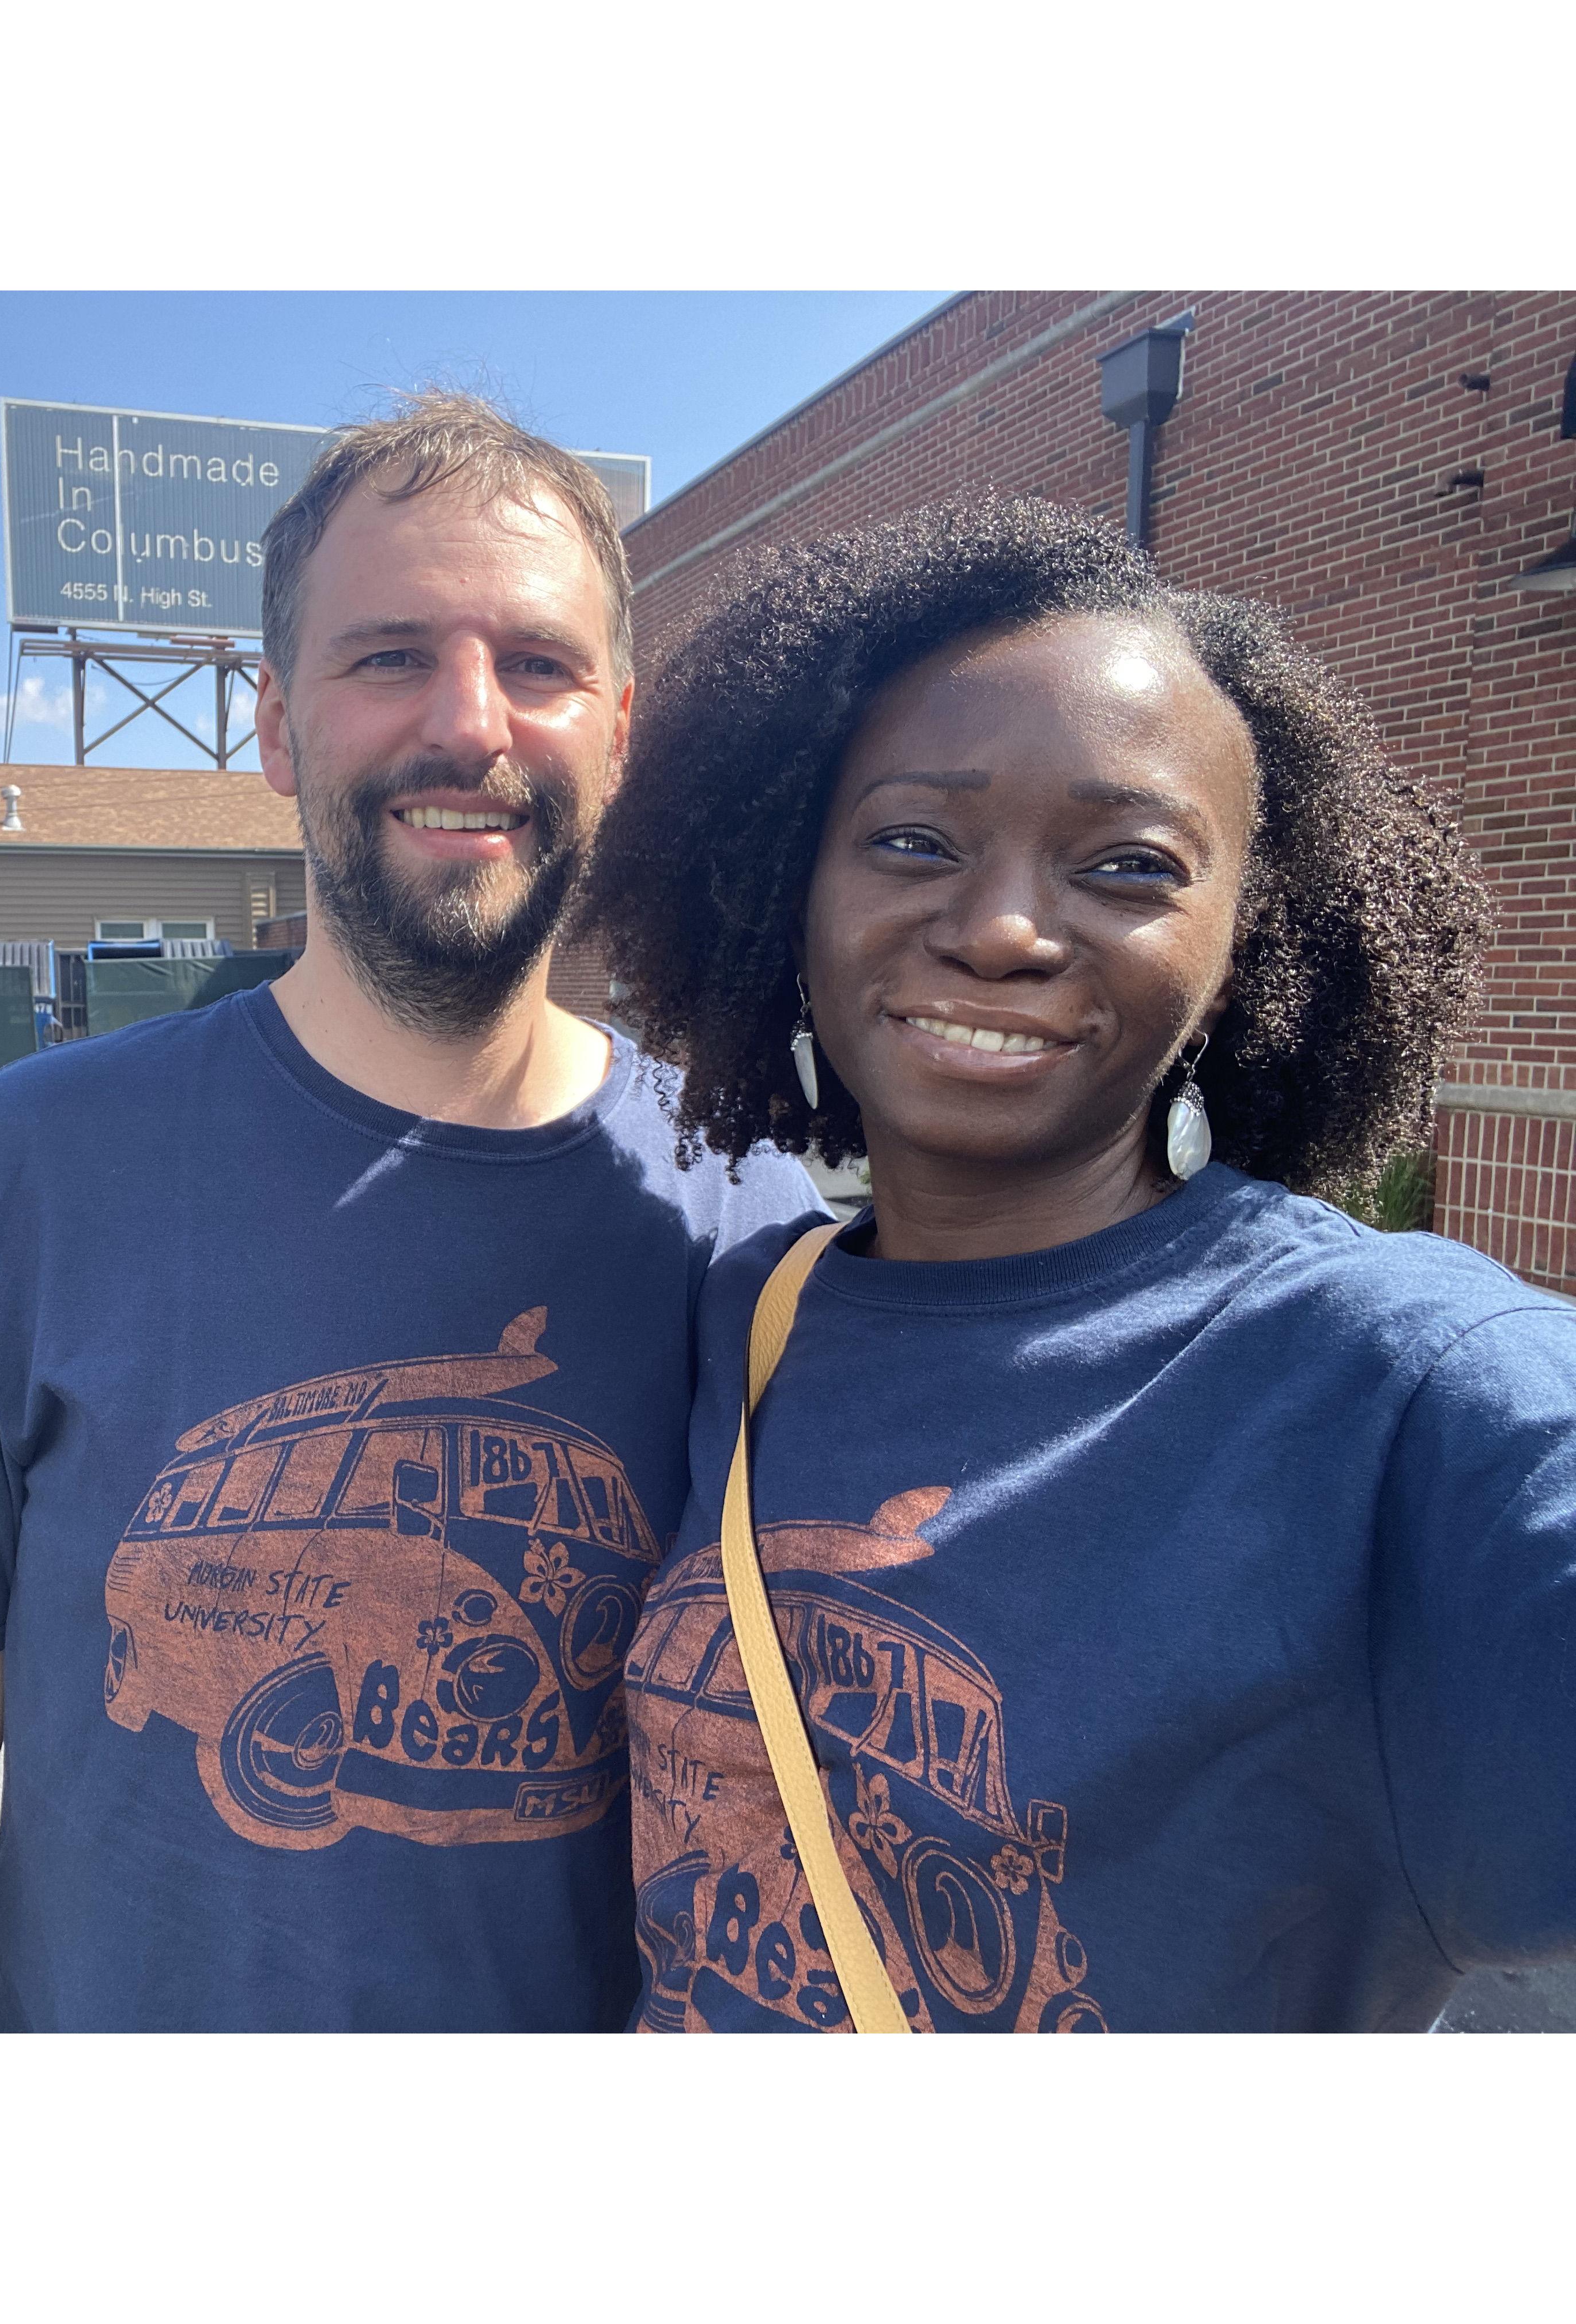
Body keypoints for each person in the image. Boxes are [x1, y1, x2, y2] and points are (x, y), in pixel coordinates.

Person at [0, 393, 821, 2031]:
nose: (472, 724)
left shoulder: (749, 1212)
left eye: (537, 664)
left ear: (617, 728)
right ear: (273, 727)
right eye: (390, 656)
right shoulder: (34, 1163)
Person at [581, 494, 1576, 2033]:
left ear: (1245, 938)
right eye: (912, 840)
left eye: (1127, 866)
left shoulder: (1401, 1389)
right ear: (791, 888)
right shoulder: (748, 1314)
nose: (1000, 930)